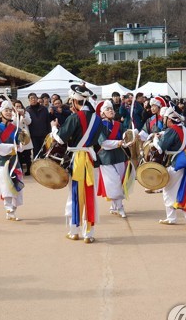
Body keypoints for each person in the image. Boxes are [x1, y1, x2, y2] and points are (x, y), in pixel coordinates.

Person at [51, 84, 107, 243]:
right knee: (90, 195)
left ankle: (74, 231)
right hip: (91, 160)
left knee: (74, 194)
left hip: (76, 160)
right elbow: (101, 140)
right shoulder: (97, 119)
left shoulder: (74, 117)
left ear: (75, 101)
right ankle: (89, 234)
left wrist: (54, 128)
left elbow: (60, 139)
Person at [96, 100, 134, 218]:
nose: (111, 110)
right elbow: (103, 143)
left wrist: (130, 139)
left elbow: (125, 139)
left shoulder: (119, 125)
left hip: (120, 156)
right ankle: (120, 207)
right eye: (107, 109)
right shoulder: (99, 126)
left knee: (120, 182)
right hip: (106, 158)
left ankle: (114, 206)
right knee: (114, 183)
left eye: (111, 109)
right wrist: (120, 142)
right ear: (102, 113)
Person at [0, 100, 25, 221]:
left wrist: (21, 144)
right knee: (6, 184)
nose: (9, 112)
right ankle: (8, 207)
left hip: (14, 160)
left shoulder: (15, 128)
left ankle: (12, 212)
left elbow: (22, 143)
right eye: (6, 110)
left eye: (10, 110)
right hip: (1, 161)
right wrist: (13, 147)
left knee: (16, 183)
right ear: (1, 113)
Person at [26, 92, 51, 160]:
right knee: (36, 153)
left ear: (37, 99)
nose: (33, 100)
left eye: (34, 98)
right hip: (34, 136)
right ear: (29, 100)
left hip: (44, 135)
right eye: (31, 98)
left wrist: (49, 133)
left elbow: (48, 122)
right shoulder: (27, 110)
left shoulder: (44, 109)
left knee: (45, 153)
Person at [13, 100, 33, 176]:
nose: (18, 108)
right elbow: (13, 123)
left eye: (19, 106)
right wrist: (16, 115)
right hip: (17, 135)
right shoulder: (12, 114)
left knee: (27, 154)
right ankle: (20, 169)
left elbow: (29, 122)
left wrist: (23, 115)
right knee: (19, 154)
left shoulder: (26, 112)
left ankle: (29, 169)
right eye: (16, 106)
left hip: (25, 135)